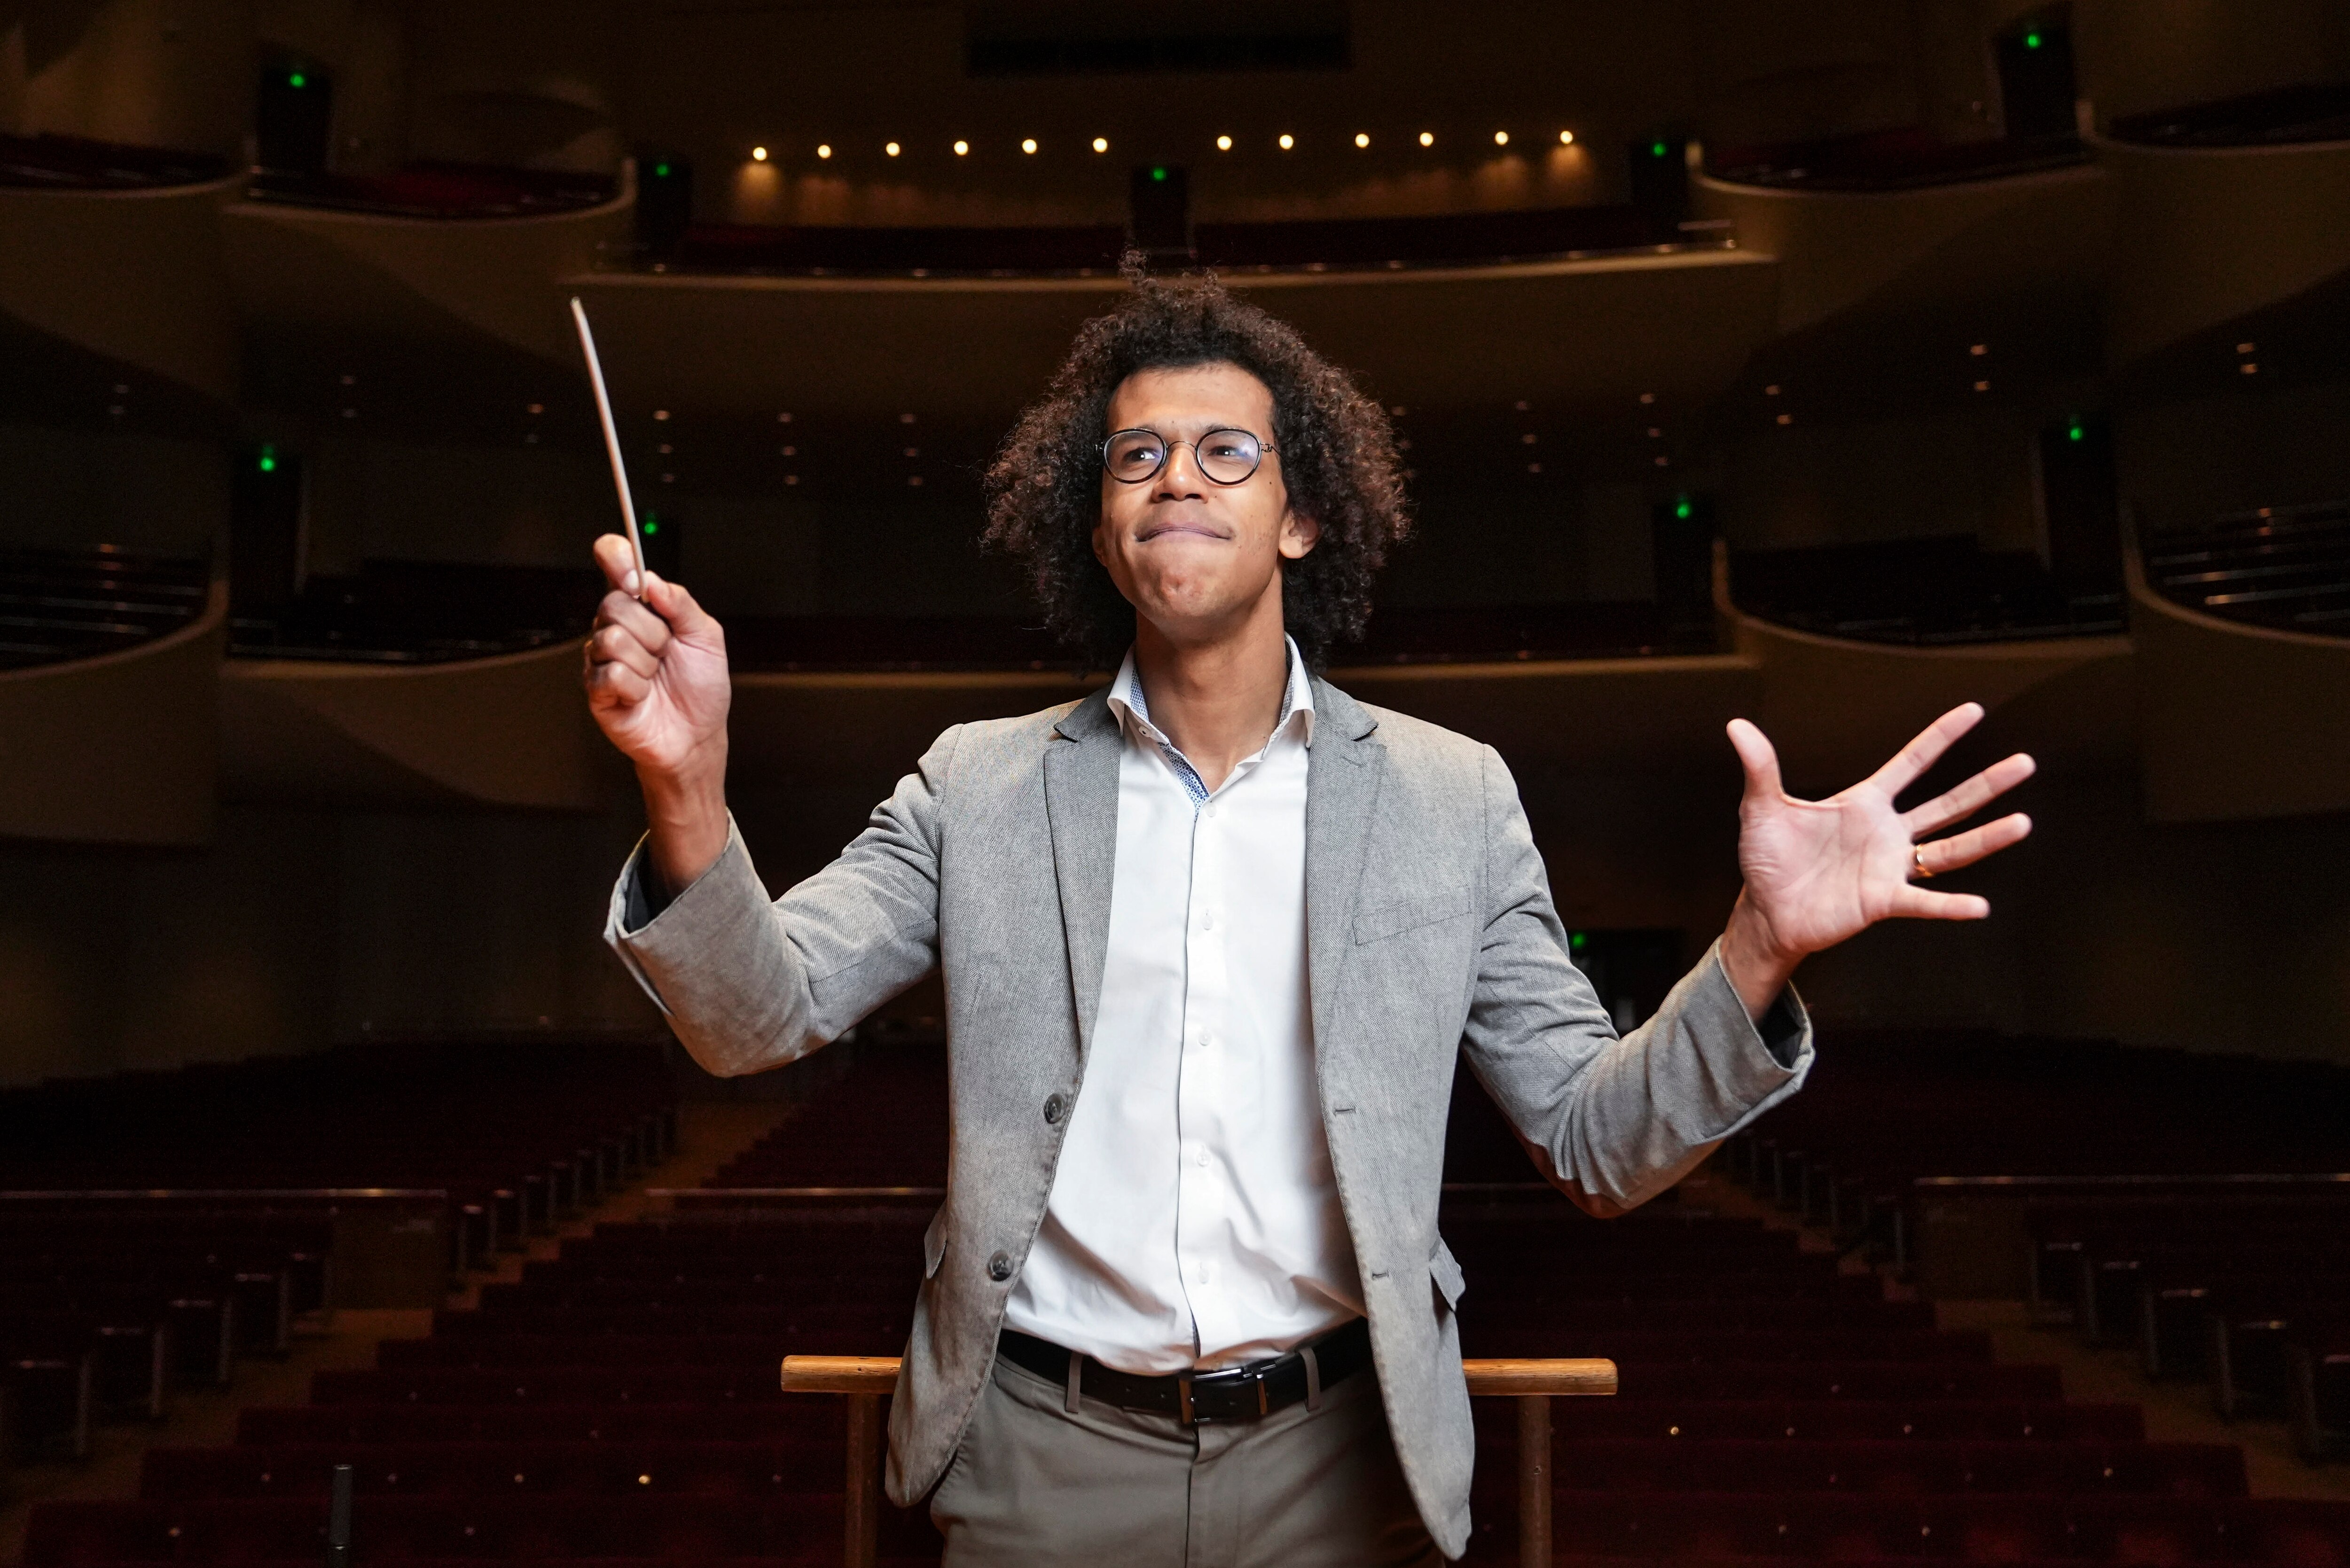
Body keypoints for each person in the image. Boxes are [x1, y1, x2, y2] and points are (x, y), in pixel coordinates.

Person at [581, 271, 2035, 1566]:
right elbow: (751, 1020)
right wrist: (690, 785)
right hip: (1042, 1460)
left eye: (1228, 452)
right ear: (1095, 524)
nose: (1177, 480)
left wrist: (1759, 949)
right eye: (1136, 457)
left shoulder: (1450, 798)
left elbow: (1598, 1141)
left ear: (1303, 513)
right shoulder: (978, 784)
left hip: (1342, 1471)